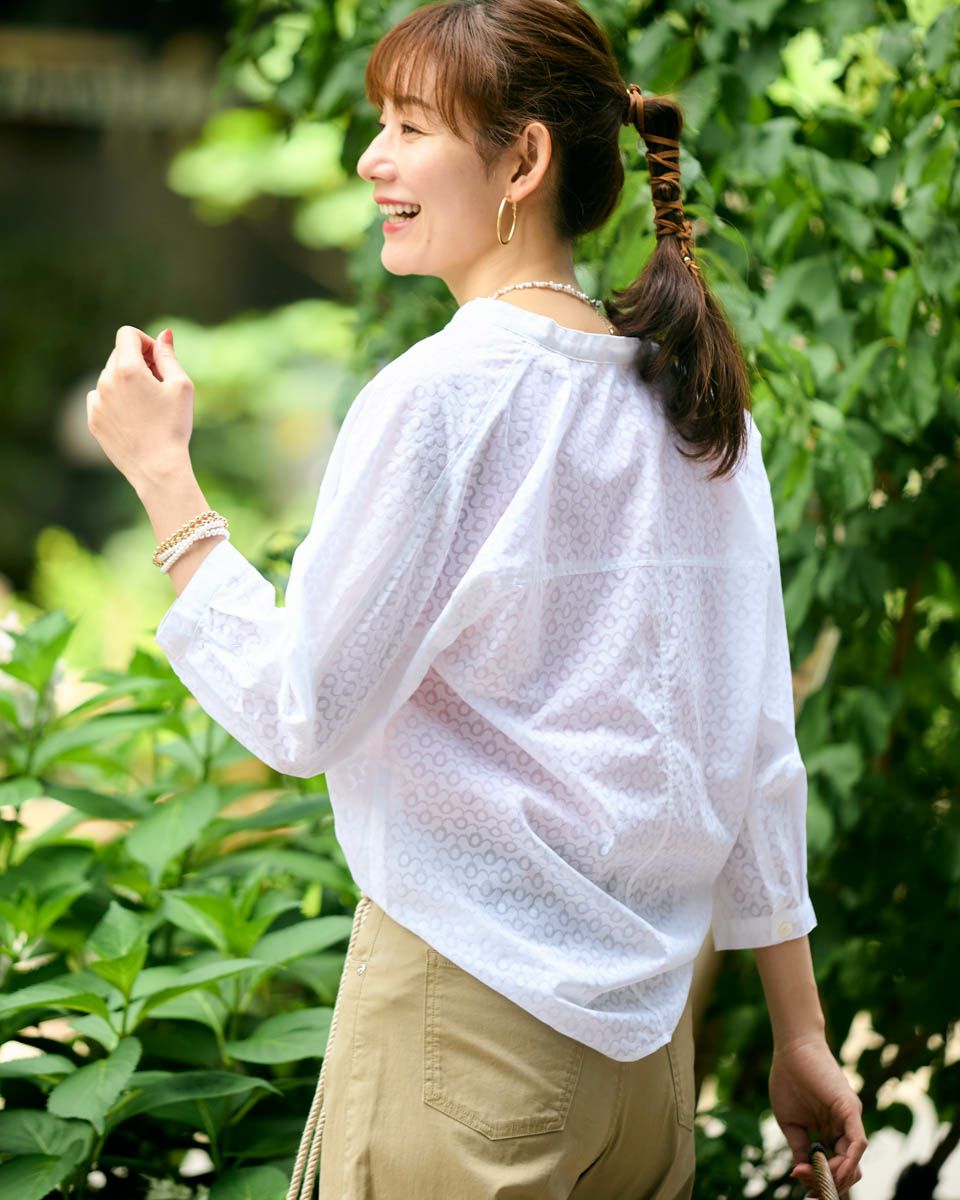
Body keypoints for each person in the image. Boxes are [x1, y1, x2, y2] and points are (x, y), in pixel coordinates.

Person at [86, 1, 869, 1197]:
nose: (373, 160)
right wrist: (800, 1034)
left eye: (411, 127)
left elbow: (301, 711)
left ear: (524, 160)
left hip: (471, 1028)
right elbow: (759, 749)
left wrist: (163, 479)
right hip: (649, 1072)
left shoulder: (443, 396)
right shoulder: (699, 407)